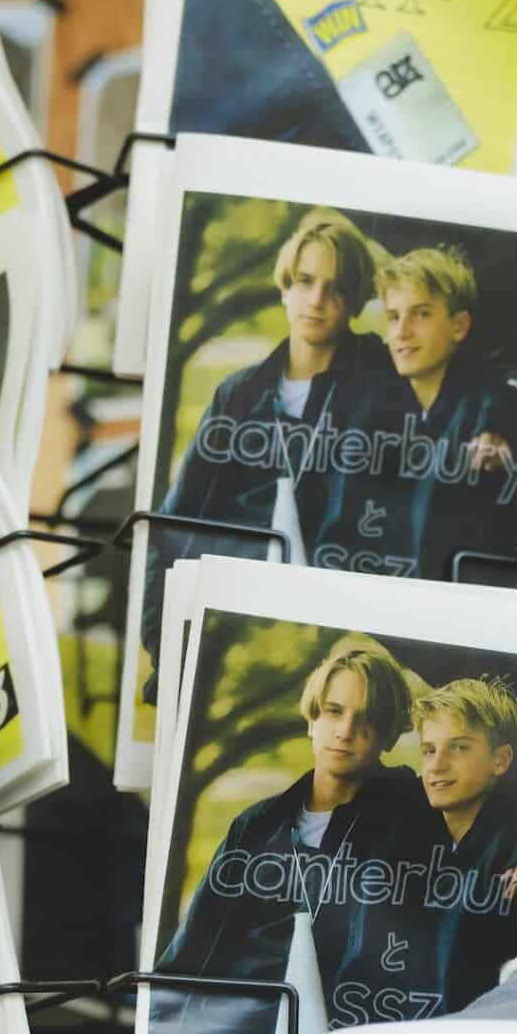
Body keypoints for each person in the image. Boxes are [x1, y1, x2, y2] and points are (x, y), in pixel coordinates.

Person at [140, 208, 395, 683]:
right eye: (305, 281)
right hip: (238, 624)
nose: (316, 299)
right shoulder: (239, 393)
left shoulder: (382, 381)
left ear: (356, 302)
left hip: (335, 630)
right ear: (285, 288)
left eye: (336, 288)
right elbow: (176, 525)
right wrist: (162, 646)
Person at [151, 637, 424, 1034]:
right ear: (312, 719)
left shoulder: (414, 820)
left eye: (366, 718)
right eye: (333, 711)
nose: (345, 731)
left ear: (389, 734)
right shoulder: (257, 826)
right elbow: (190, 956)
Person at [328, 678, 517, 1027]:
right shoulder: (399, 839)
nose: (437, 765)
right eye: (429, 750)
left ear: (500, 760)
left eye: (458, 748)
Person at [316, 244, 517, 582]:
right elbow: (338, 532)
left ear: (459, 326)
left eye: (420, 314)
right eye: (393, 317)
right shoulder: (368, 408)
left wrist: (498, 423)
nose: (402, 331)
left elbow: (510, 390)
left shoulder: (494, 405)